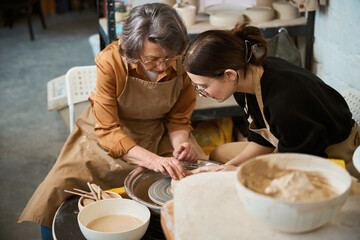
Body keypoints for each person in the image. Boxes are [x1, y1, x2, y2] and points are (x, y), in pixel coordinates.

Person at [18, 3, 206, 238]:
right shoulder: (111, 62)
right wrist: (152, 161)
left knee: (202, 178)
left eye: (169, 58)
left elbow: (178, 119)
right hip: (104, 134)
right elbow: (108, 130)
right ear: (133, 49)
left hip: (157, 132)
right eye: (152, 60)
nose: (162, 67)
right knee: (55, 190)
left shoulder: (180, 61)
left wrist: (180, 144)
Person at [185, 23, 360, 178]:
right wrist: (227, 168)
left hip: (328, 155)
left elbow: (298, 166)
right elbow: (264, 139)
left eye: (203, 86)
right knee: (220, 156)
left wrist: (239, 172)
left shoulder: (285, 100)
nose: (202, 94)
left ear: (229, 74)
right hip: (290, 145)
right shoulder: (244, 80)